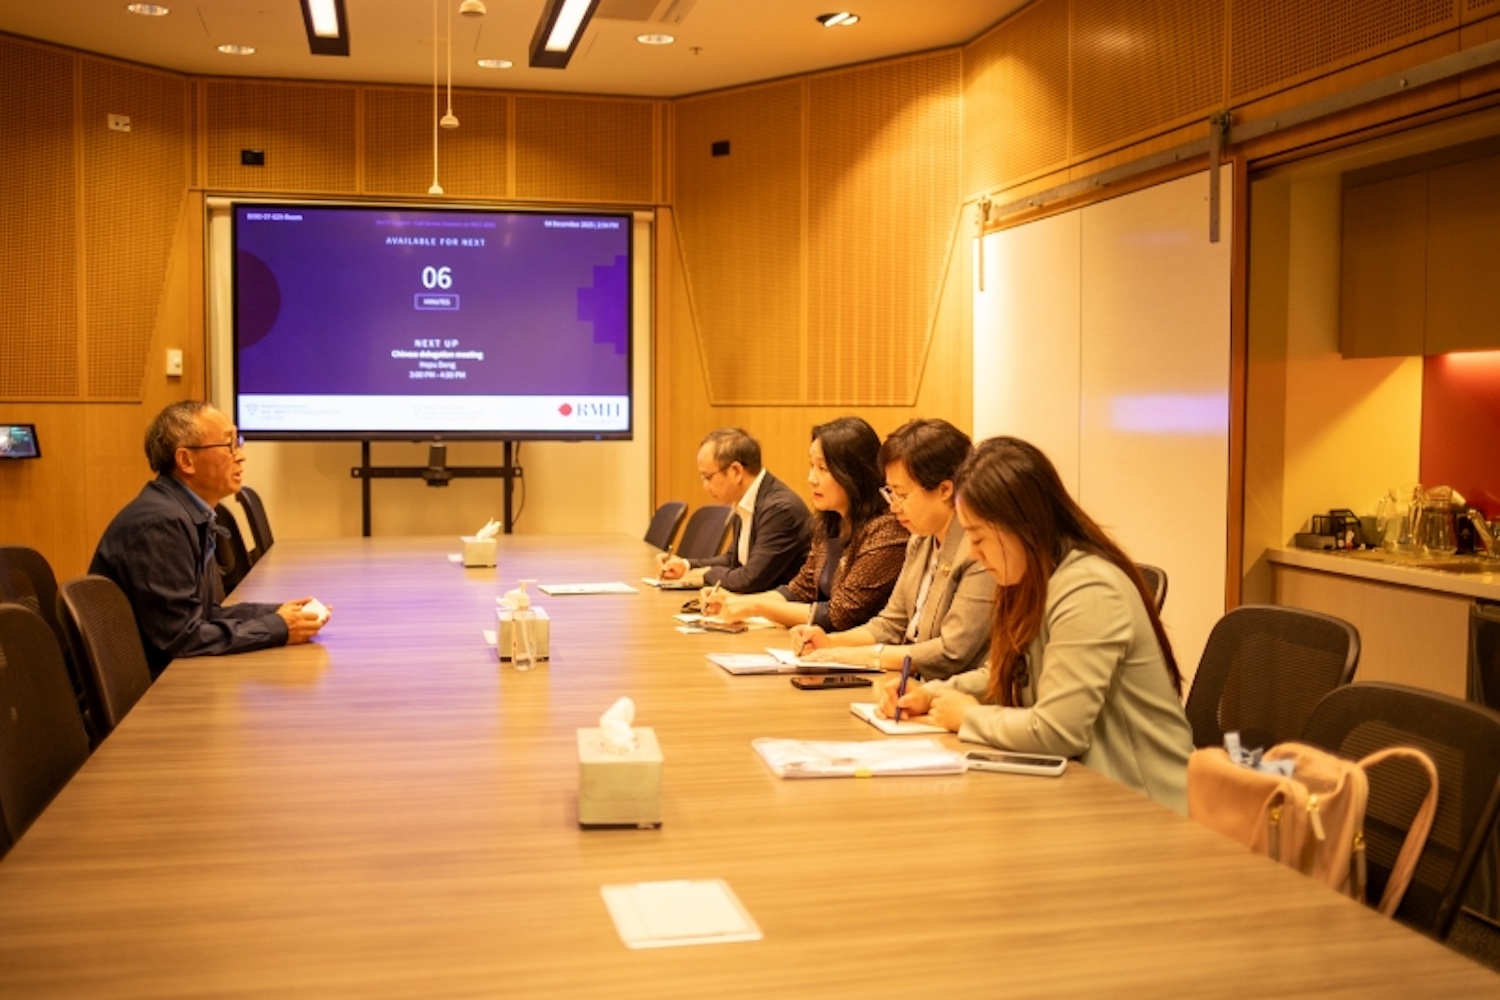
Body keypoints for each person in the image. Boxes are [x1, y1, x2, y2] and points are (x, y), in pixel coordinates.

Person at [879, 437, 1192, 812]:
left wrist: (969, 716)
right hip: (1078, 792)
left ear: (1022, 527)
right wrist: (932, 695)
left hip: (1143, 805)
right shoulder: (1032, 578)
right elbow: (1005, 673)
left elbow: (1058, 731)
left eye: (978, 537)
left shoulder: (1089, 590)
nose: (974, 553)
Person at [91, 401, 328, 675]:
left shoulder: (185, 512)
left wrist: (278, 614)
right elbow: (181, 637)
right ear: (186, 461)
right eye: (229, 445)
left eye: (238, 442)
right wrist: (276, 627)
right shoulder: (161, 524)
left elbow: (204, 615)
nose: (241, 456)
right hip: (149, 687)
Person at [787, 419, 993, 680]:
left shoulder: (978, 551)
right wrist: (830, 643)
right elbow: (891, 623)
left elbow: (951, 651)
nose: (894, 507)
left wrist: (865, 656)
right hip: (906, 680)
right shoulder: (920, 540)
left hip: (949, 689)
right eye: (890, 493)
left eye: (902, 495)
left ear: (945, 490)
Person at [708, 416, 907, 630]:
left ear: (854, 473)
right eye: (811, 466)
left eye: (823, 468)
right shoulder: (830, 523)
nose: (811, 478)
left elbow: (840, 613)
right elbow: (800, 589)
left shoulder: (886, 529)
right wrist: (737, 602)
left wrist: (756, 606)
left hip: (857, 645)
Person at [655, 428, 811, 593]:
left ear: (736, 471)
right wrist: (686, 565)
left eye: (707, 477)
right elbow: (733, 560)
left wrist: (707, 574)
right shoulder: (747, 499)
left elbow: (750, 580)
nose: (705, 486)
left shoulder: (780, 510)